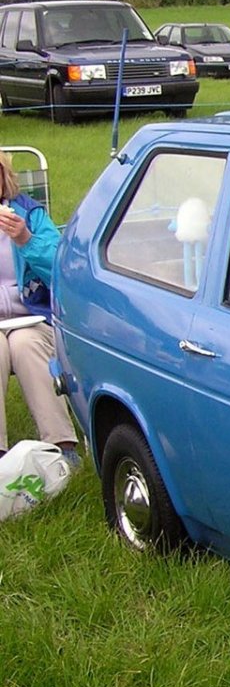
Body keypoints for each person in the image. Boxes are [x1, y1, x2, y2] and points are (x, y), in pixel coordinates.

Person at [0, 151, 80, 468]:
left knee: (27, 344)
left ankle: (60, 448)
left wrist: (25, 239)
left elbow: (63, 268)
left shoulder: (29, 214)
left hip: (31, 316)